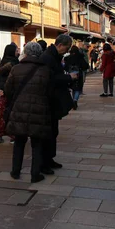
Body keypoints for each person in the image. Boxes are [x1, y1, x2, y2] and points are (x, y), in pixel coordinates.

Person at [5, 42, 53, 183]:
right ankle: (35, 174)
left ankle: (15, 171)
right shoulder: (46, 70)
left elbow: (8, 90)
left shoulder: (16, 68)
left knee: (19, 142)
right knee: (37, 144)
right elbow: (50, 92)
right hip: (39, 111)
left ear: (25, 52)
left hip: (19, 111)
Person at [40, 34, 77, 174]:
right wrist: (68, 77)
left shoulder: (53, 56)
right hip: (48, 100)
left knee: (53, 131)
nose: (66, 51)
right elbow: (49, 78)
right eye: (66, 48)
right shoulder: (48, 57)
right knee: (48, 133)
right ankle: (44, 163)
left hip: (54, 100)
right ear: (60, 45)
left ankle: (50, 159)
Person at [0, 44, 19, 143]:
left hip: (3, 93)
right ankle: (13, 135)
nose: (18, 51)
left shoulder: (1, 63)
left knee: (1, 114)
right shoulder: (15, 63)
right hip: (13, 93)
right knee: (12, 113)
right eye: (16, 50)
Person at [65, 45, 89, 110]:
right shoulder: (80, 57)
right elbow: (85, 65)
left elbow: (65, 67)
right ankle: (75, 100)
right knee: (77, 89)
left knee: (73, 88)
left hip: (70, 74)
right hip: (79, 74)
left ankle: (73, 100)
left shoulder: (67, 58)